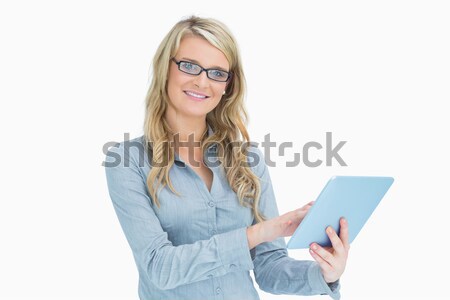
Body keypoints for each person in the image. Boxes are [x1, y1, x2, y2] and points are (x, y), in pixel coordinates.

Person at [104, 15, 349, 300]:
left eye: (217, 73)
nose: (202, 81)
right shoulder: (127, 160)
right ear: (165, 68)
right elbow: (159, 267)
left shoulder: (248, 160)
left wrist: (324, 274)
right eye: (190, 66)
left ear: (227, 86)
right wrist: (257, 233)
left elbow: (269, 267)